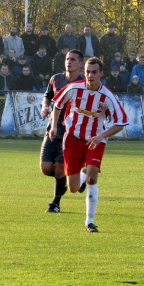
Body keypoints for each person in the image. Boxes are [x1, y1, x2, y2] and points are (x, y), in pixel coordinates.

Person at [49, 57, 128, 232]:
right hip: (72, 139)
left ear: (101, 73)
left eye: (94, 72)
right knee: (73, 188)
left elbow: (121, 122)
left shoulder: (107, 96)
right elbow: (57, 104)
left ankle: (89, 221)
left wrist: (101, 136)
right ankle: (82, 175)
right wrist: (54, 125)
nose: (90, 75)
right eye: (87, 72)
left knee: (93, 177)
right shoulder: (73, 88)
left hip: (95, 141)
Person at [39, 49, 85, 214]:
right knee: (45, 168)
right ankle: (77, 178)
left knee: (59, 167)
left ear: (80, 64)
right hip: (52, 128)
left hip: (70, 132)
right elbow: (48, 95)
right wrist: (45, 106)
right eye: (67, 59)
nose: (69, 62)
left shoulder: (84, 83)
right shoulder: (56, 79)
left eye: (73, 59)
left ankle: (55, 203)